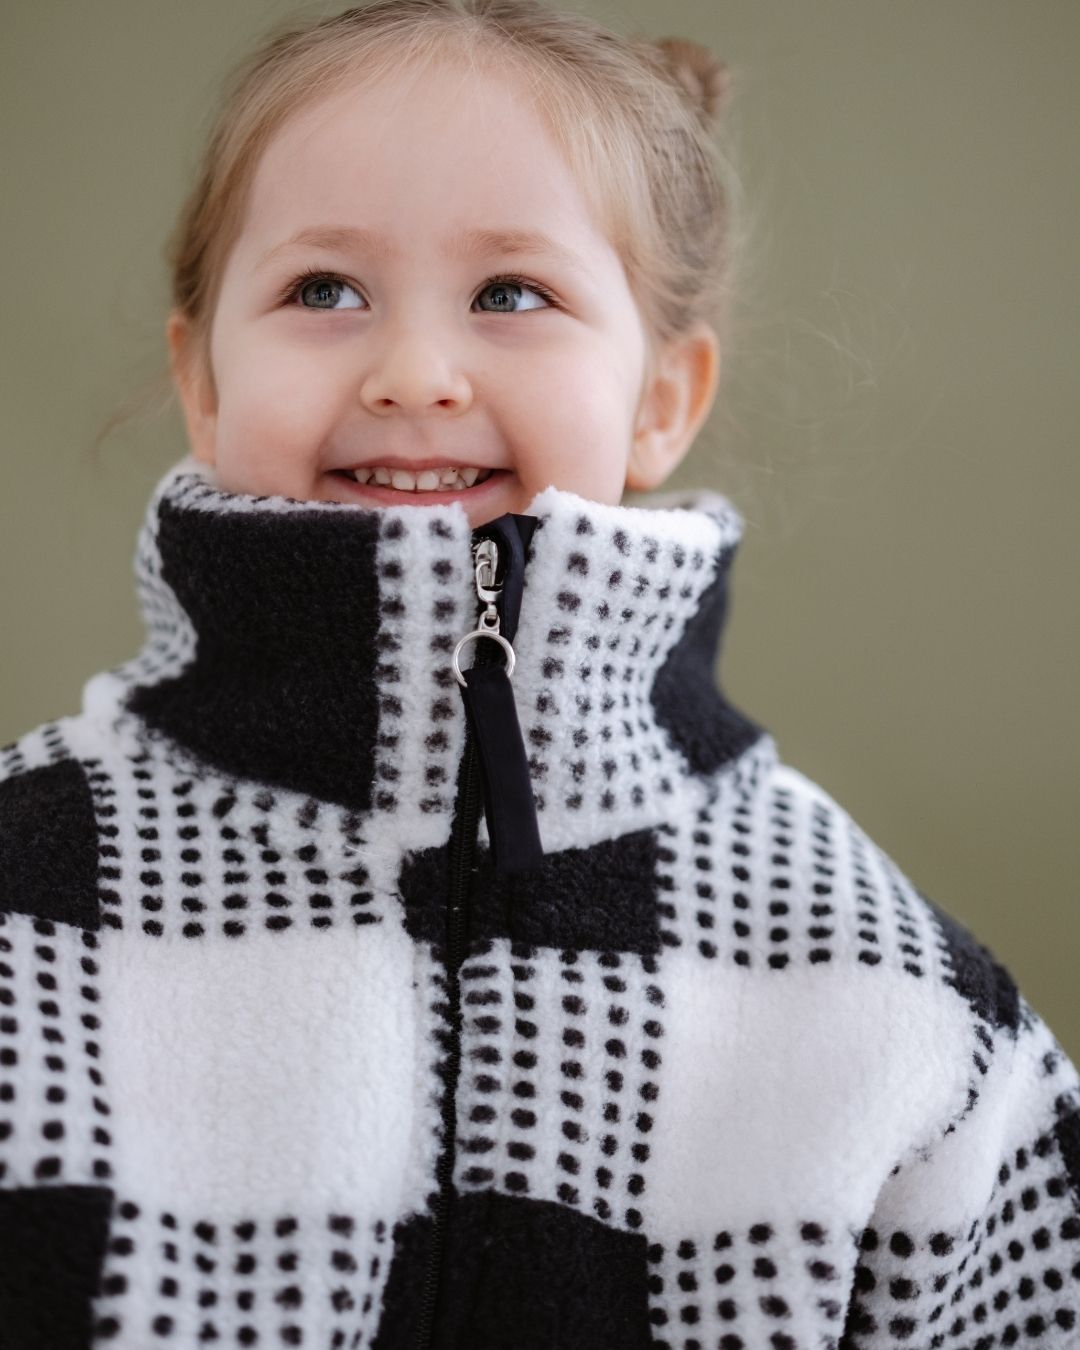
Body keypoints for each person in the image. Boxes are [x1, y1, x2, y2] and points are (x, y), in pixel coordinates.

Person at [0, 2, 1076, 1346]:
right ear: (202, 380)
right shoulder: (24, 898)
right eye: (323, 290)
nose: (413, 374)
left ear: (661, 399)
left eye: (512, 294)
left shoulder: (885, 997)